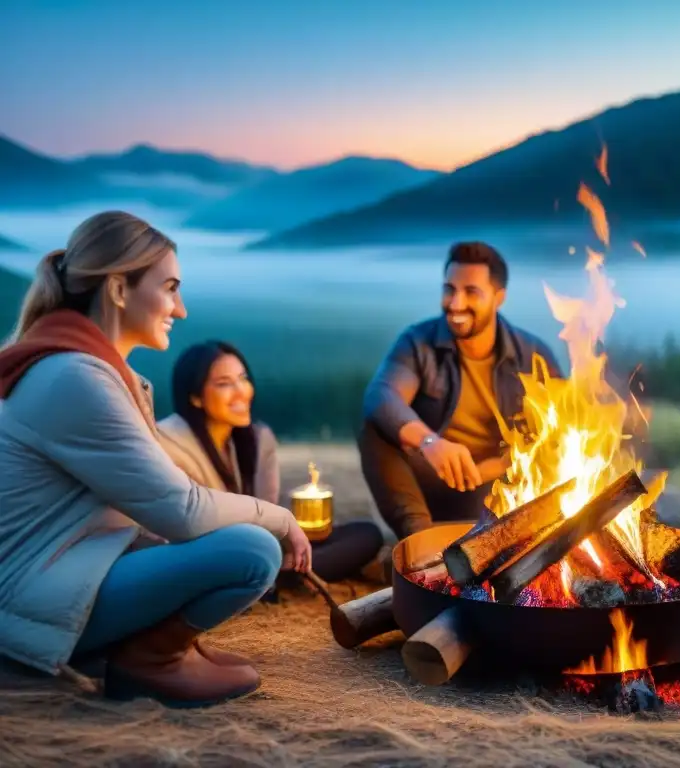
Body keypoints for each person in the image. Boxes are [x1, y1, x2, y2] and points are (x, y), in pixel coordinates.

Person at [0, 210, 312, 709]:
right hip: (25, 598)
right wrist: (278, 517)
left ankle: (150, 648)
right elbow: (181, 510)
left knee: (231, 544)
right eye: (169, 287)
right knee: (252, 552)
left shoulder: (87, 368)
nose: (180, 308)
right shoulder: (75, 378)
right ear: (119, 288)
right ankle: (150, 660)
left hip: (60, 572)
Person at [359, 241, 564, 540]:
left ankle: (507, 542)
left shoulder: (533, 356)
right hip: (430, 482)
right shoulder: (419, 342)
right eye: (449, 289)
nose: (455, 304)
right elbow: (382, 395)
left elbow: (559, 437)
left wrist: (496, 466)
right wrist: (430, 442)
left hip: (497, 490)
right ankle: (419, 542)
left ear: (499, 298)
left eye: (471, 292)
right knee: (374, 426)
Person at [158, 341, 384, 583]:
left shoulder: (257, 438)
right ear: (195, 397)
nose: (241, 391)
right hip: (208, 553)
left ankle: (280, 572)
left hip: (261, 546)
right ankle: (276, 574)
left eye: (243, 378)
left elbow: (268, 512)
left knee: (366, 534)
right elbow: (179, 527)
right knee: (262, 555)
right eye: (224, 384)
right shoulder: (169, 442)